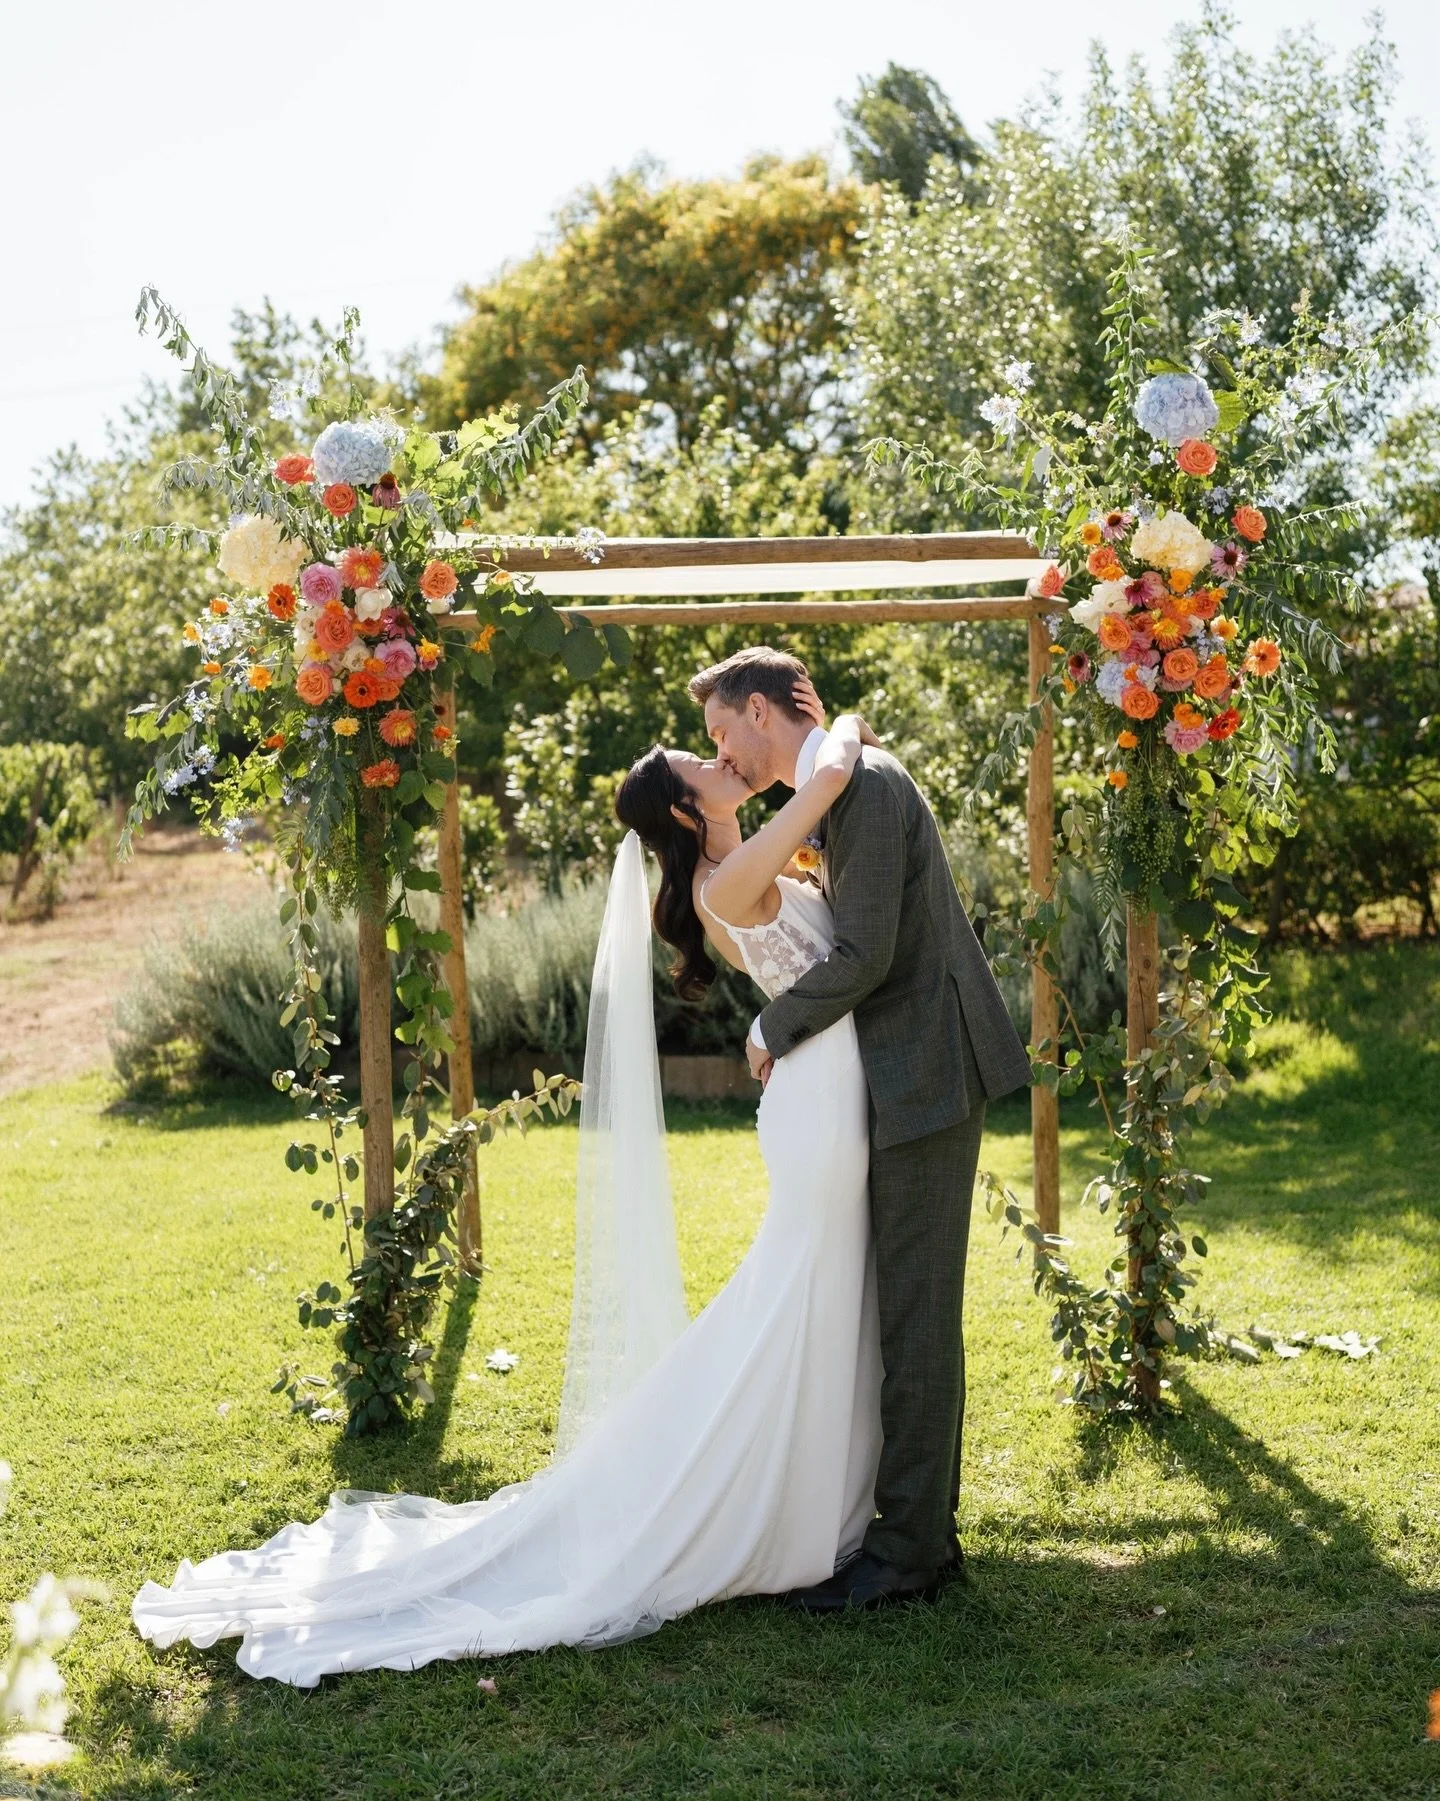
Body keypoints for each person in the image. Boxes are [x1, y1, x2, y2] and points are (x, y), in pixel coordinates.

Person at [132, 684, 889, 1684]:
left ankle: (813, 1495)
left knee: (816, 1292)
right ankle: (779, 1507)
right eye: (699, 760)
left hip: (829, 1085)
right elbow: (829, 776)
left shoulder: (746, 855)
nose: (719, 759)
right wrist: (832, 731)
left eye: (712, 746)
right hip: (819, 1103)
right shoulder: (723, 881)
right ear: (682, 810)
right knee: (804, 1293)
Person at [690, 646, 1032, 1609]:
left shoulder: (866, 786)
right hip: (903, 1072)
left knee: (917, 1314)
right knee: (905, 1307)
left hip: (927, 1071)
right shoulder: (843, 785)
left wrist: (772, 1025)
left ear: (761, 710)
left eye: (722, 732)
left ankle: (911, 1552)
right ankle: (919, 1532)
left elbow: (868, 953)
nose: (723, 754)